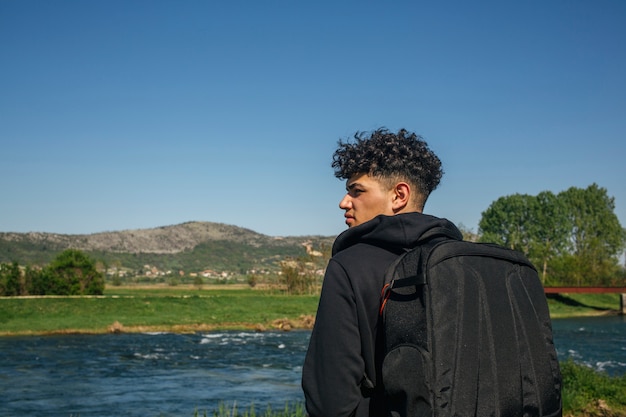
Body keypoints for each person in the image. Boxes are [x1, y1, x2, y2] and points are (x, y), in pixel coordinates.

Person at [302, 128, 462, 417]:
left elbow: (329, 402)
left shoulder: (349, 265)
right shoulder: (461, 262)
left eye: (356, 191)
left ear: (399, 195)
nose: (344, 202)